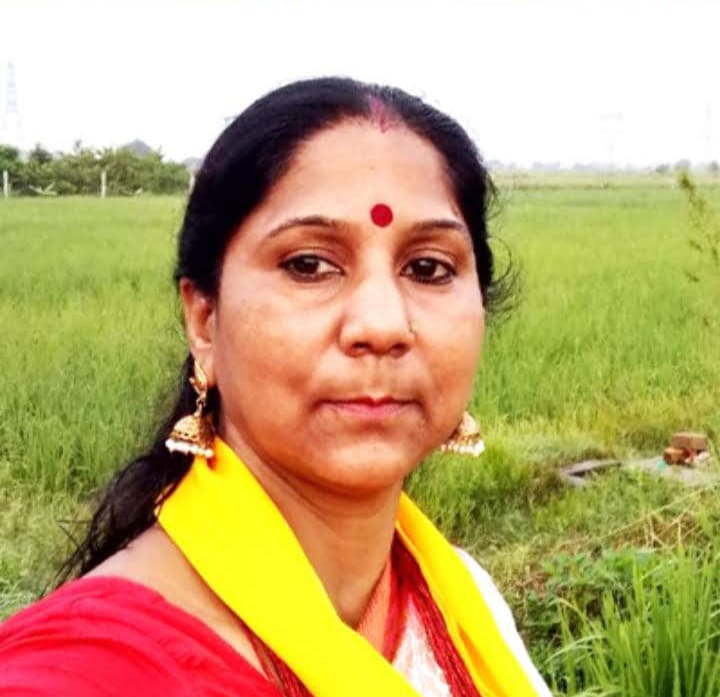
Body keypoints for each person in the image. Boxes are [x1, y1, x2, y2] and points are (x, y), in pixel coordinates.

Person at [0, 77, 551, 697]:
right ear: (204, 319)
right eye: (309, 265)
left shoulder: (466, 604)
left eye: (428, 268)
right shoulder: (89, 672)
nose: (382, 325)